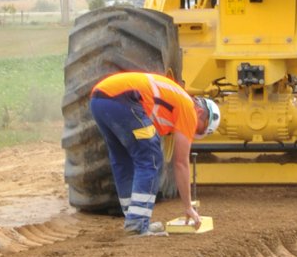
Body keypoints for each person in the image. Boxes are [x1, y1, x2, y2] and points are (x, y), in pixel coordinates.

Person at [89, 71, 221, 236]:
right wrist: (188, 207)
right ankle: (137, 223)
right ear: (201, 113)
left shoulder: (174, 100)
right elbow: (181, 163)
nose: (192, 131)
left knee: (122, 160)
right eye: (198, 128)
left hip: (98, 99)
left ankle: (134, 218)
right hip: (124, 99)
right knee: (150, 158)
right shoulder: (189, 109)